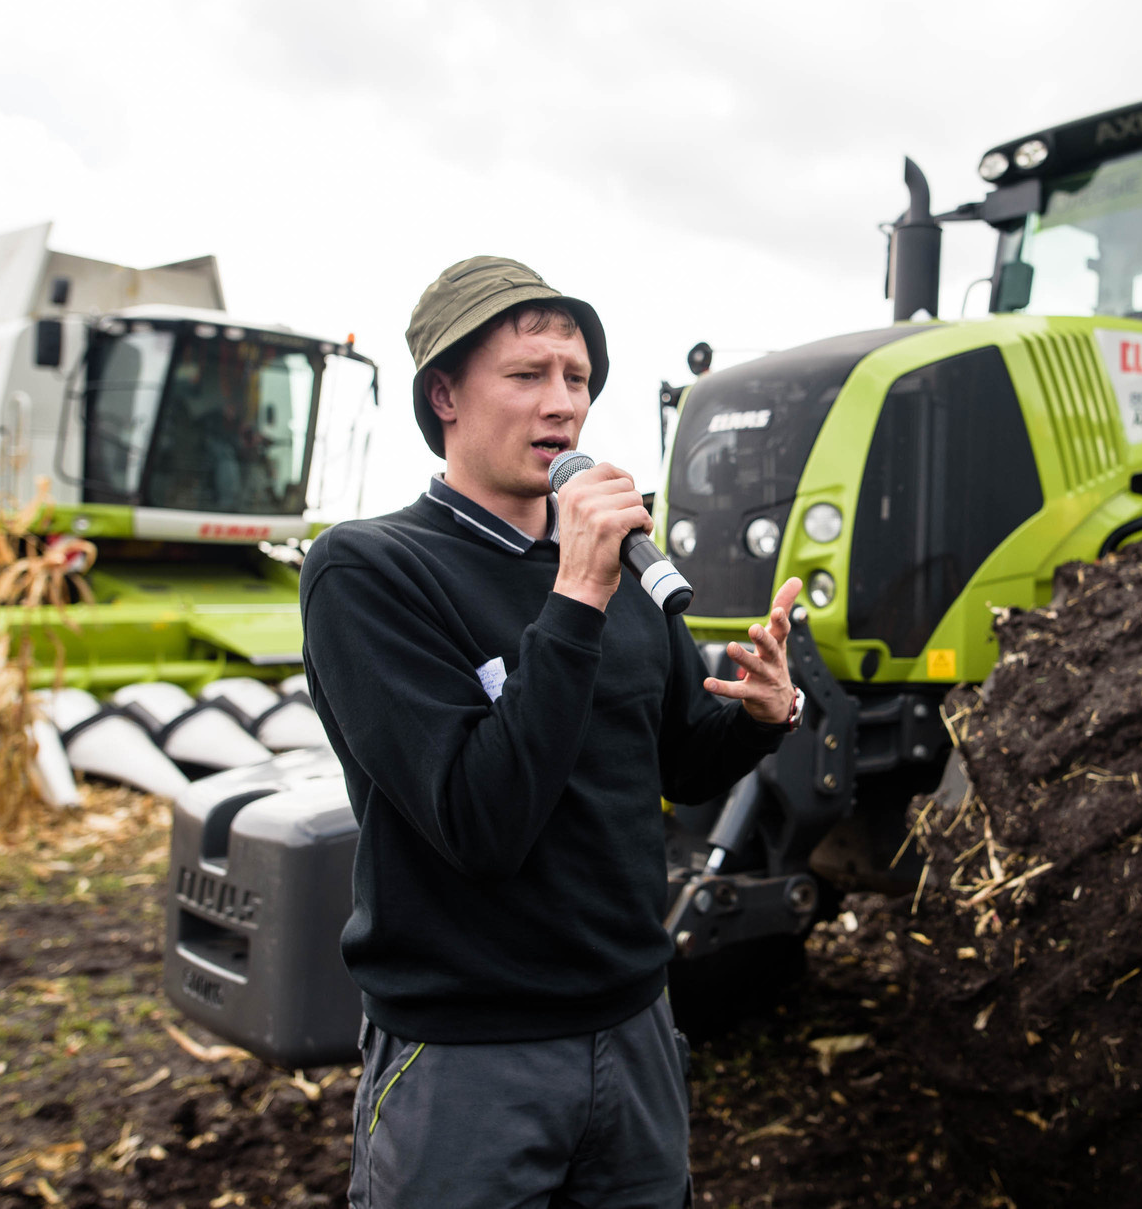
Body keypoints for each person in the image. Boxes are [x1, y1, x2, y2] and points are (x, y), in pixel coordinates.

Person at [300, 256, 804, 1209]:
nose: (563, 402)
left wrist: (761, 716)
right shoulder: (370, 571)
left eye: (577, 377)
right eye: (527, 374)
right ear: (444, 395)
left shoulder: (621, 569)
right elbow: (479, 821)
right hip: (467, 1055)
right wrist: (575, 592)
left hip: (635, 1027)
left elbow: (679, 762)